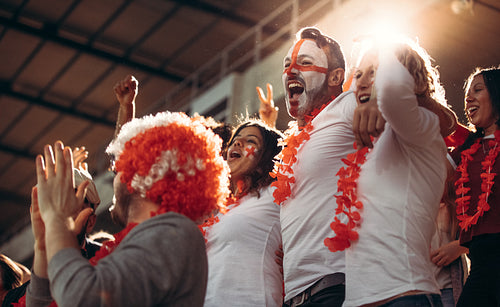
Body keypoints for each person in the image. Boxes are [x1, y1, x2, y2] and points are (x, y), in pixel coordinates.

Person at [27, 111, 230, 306]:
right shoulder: (153, 239)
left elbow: (84, 300)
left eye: (120, 168)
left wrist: (58, 222)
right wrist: (44, 247)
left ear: (142, 174)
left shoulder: (173, 233)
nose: (115, 179)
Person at [334, 38, 452, 306]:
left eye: (374, 72)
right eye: (359, 75)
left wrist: (385, 41)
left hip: (403, 296)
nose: (361, 82)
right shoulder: (368, 147)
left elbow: (393, 91)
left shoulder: (420, 129)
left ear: (415, 82)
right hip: (356, 300)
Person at [271, 26, 357, 307]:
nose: (292, 70)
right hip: (294, 295)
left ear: (335, 77)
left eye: (305, 62)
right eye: (287, 65)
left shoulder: (347, 106)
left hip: (334, 285)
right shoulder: (293, 141)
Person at [203, 119, 284, 306]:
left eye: (251, 141)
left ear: (266, 159)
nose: (237, 143)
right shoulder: (218, 208)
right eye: (235, 140)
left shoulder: (274, 194)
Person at [449, 66, 500, 306]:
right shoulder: (466, 149)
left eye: (478, 90)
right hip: (481, 260)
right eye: (467, 93)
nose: (468, 97)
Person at [430, 162, 469, 307]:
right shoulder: (414, 208)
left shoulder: (456, 209)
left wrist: (459, 246)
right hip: (419, 288)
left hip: (447, 288)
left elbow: (478, 241)